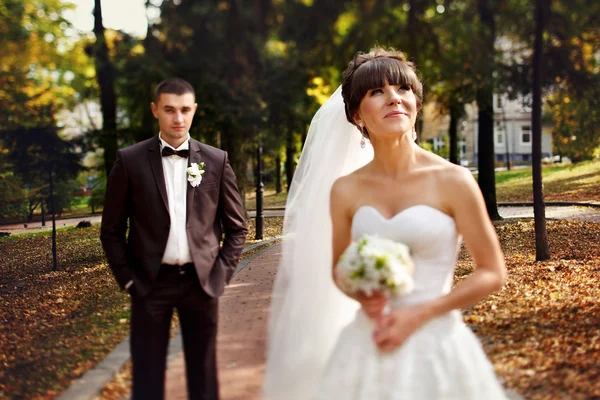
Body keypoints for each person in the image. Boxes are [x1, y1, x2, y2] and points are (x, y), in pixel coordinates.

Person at [264, 47, 508, 399]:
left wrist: (424, 312)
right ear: (356, 115)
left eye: (402, 89)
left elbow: (492, 272)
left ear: (416, 103)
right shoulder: (345, 190)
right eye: (376, 92)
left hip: (436, 342)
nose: (393, 98)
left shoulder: (453, 180)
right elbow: (338, 269)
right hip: (368, 341)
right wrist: (361, 293)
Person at [100, 77, 247, 400]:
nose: (177, 118)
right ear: (155, 110)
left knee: (204, 375)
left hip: (202, 281)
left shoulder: (216, 160)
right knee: (148, 375)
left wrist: (219, 276)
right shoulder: (130, 161)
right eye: (169, 110)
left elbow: (237, 227)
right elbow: (111, 230)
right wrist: (128, 281)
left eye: (184, 110)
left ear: (194, 110)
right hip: (150, 283)